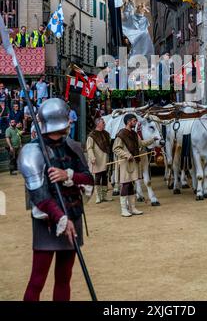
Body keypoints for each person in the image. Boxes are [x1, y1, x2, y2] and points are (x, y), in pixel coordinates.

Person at [18, 98, 94, 301]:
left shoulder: (73, 147)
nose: (70, 122)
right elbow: (39, 196)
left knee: (64, 277)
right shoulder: (32, 151)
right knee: (37, 280)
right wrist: (61, 219)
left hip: (73, 215)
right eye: (67, 119)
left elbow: (88, 178)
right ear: (59, 121)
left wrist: (68, 175)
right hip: (49, 222)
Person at [112, 113, 159, 217]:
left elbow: (141, 144)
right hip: (125, 163)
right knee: (125, 185)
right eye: (133, 121)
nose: (135, 122)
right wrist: (126, 154)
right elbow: (115, 148)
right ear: (128, 122)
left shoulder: (134, 134)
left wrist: (153, 140)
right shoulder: (121, 134)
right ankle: (124, 209)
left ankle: (132, 208)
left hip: (133, 163)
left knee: (131, 185)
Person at [86, 117, 112, 204]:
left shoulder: (106, 134)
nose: (104, 123)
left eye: (104, 122)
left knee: (105, 177)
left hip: (105, 158)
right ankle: (98, 196)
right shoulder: (92, 135)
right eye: (102, 122)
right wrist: (92, 157)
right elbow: (89, 148)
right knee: (97, 177)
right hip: (97, 160)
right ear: (98, 124)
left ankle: (104, 196)